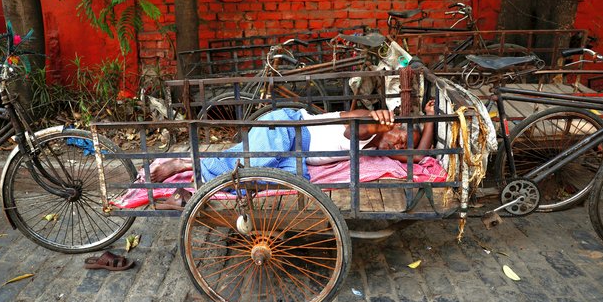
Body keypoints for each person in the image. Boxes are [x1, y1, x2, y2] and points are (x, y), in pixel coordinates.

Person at [150, 100, 436, 184]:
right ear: (393, 125)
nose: (397, 147)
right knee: (255, 166)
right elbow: (356, 130)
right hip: (288, 128)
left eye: (401, 147)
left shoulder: (377, 148)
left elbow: (419, 157)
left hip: (297, 156)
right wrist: (376, 120)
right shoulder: (365, 120)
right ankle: (183, 163)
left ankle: (197, 177)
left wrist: (431, 117)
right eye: (399, 139)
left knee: (286, 179)